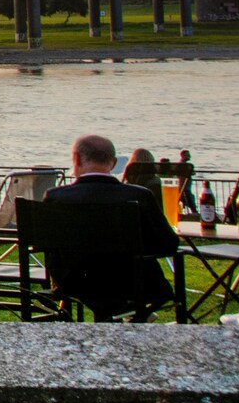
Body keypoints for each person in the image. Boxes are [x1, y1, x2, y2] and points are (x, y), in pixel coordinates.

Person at [40, 134, 179, 322]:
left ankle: (120, 313)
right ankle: (132, 313)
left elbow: (46, 244)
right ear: (113, 163)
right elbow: (168, 244)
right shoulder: (139, 195)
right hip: (131, 282)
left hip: (76, 282)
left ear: (76, 159)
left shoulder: (56, 197)